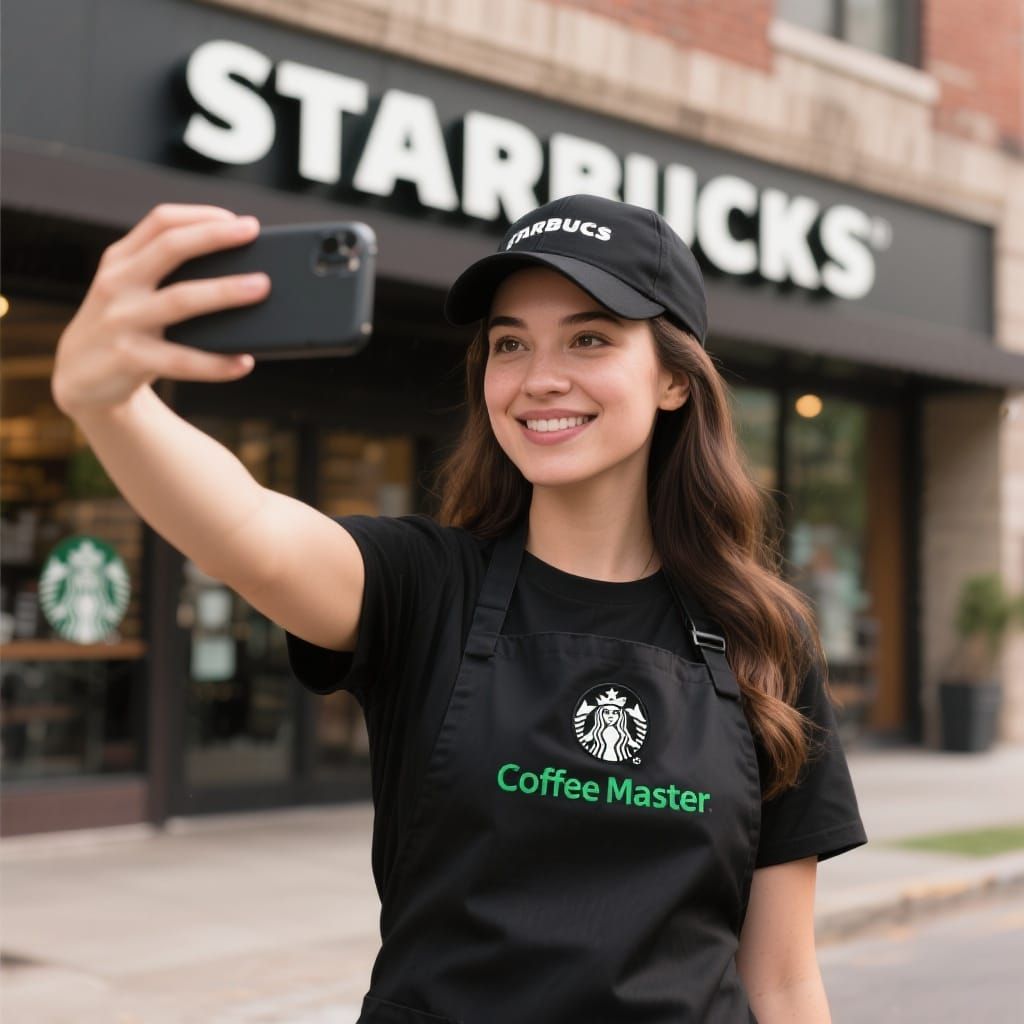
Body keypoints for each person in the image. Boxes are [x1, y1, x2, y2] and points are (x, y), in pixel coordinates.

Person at [52, 194, 868, 1023]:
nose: (539, 377)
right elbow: (247, 529)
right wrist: (109, 404)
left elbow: (783, 979)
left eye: (589, 338)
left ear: (672, 379)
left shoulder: (761, 633)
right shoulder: (423, 586)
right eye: (510, 344)